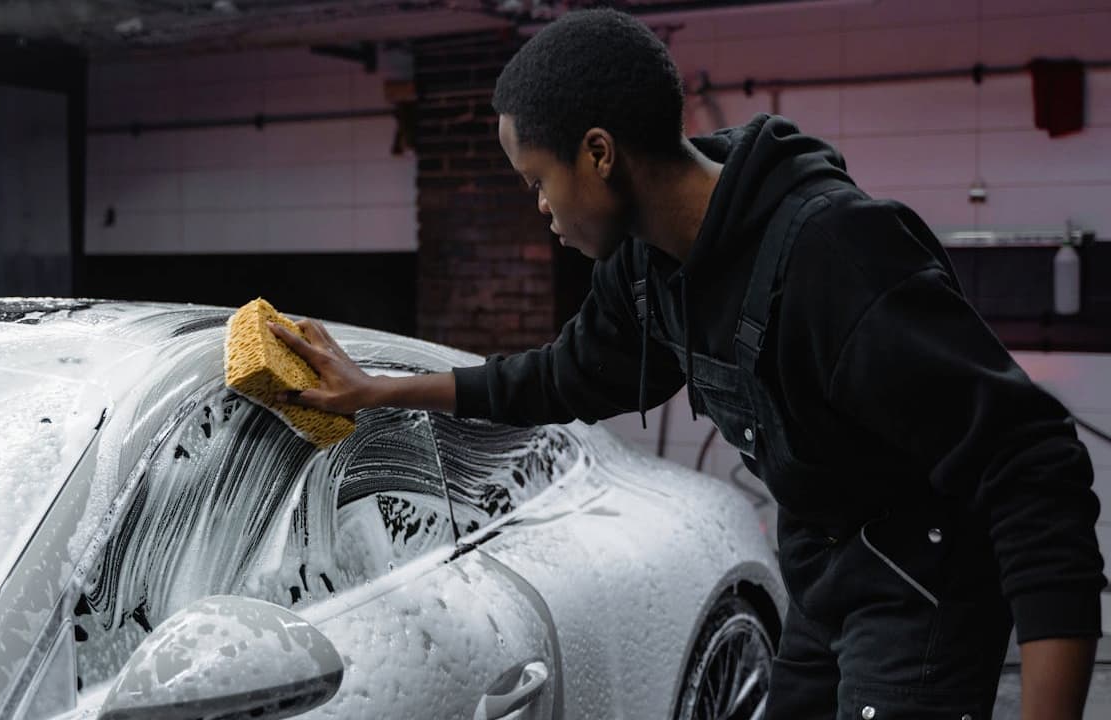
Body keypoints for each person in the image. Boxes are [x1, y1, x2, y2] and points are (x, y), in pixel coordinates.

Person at [268, 8, 1104, 719]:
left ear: (599, 154)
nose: (540, 209)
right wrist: (382, 391)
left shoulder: (836, 254)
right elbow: (561, 376)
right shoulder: (641, 268)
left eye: (537, 179)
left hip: (922, 576)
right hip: (821, 560)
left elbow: (1035, 470)